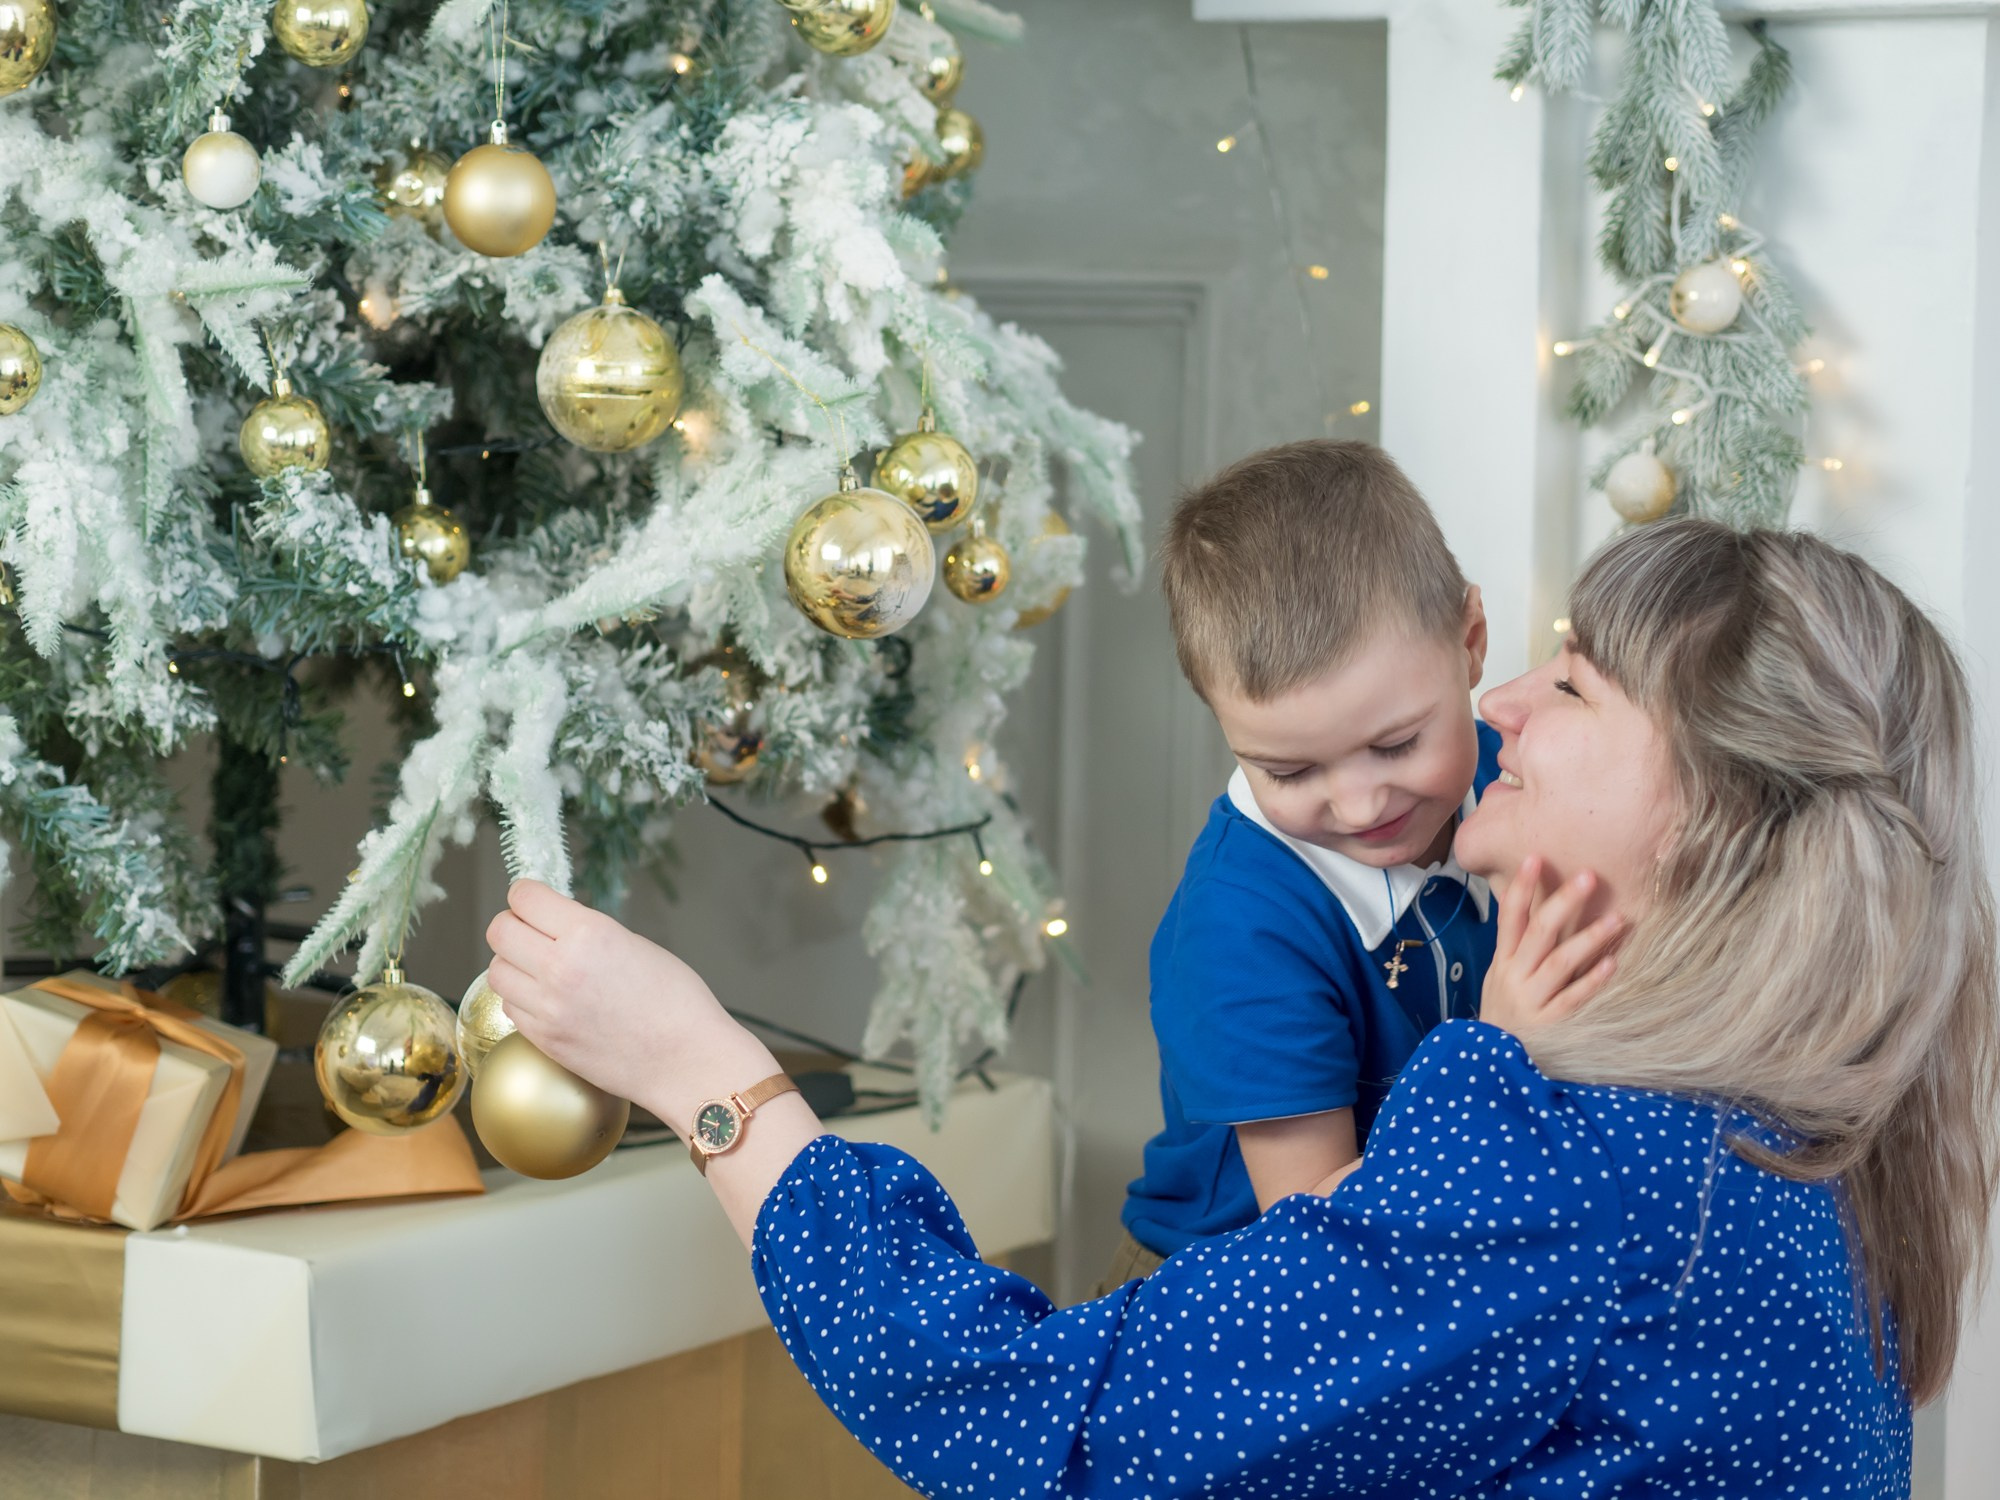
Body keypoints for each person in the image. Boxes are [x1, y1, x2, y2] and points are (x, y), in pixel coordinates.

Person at [485, 519, 1997, 1497]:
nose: (1509, 703)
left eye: (1586, 686)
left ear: (1723, 812)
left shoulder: (1603, 1176)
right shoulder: (1778, 1143)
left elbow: (1041, 1426)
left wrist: (704, 1072)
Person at [1107, 440, 1505, 1295]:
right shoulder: (1237, 931)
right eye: (1289, 772)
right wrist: (1512, 1041)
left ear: (1471, 642)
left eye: (1397, 743)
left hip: (1436, 1263)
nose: (1361, 807)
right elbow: (1324, 1240)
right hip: (1239, 1298)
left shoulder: (1529, 776)